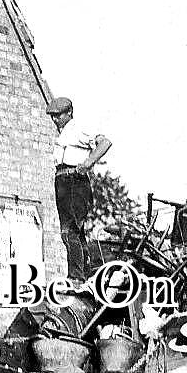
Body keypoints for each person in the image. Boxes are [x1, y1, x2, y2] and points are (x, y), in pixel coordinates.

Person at [46, 96, 112, 282]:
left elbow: (105, 142)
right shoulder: (64, 133)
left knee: (70, 231)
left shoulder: (78, 128)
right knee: (74, 232)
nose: (55, 119)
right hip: (63, 181)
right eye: (53, 116)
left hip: (74, 181)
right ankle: (83, 275)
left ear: (69, 113)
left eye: (58, 115)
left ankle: (76, 277)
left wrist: (88, 163)